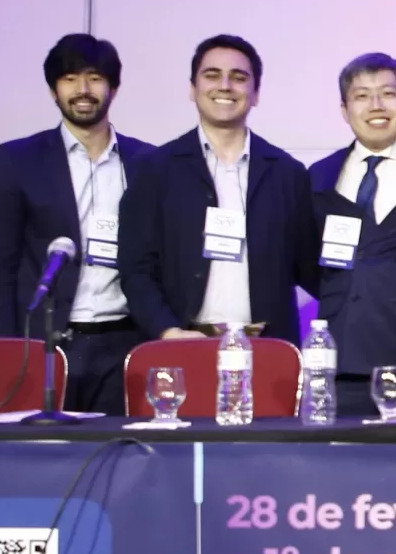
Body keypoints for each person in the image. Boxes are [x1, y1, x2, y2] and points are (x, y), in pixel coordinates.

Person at [0, 34, 157, 414]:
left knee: (118, 446)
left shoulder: (147, 162)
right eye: (70, 78)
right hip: (45, 342)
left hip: (125, 341)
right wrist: (0, 349)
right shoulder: (19, 159)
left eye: (95, 78)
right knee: (42, 448)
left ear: (113, 88)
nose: (83, 90)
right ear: (53, 90)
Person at [122, 35, 319, 342]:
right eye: (212, 75)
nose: (225, 86)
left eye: (238, 78)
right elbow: (136, 268)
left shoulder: (287, 174)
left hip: (269, 347)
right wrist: (167, 331)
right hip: (181, 344)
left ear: (256, 94)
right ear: (193, 89)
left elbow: (309, 267)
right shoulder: (155, 169)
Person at [310, 53, 396, 412]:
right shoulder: (319, 176)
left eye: (388, 93)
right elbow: (306, 263)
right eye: (362, 96)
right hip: (341, 362)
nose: (376, 106)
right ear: (344, 109)